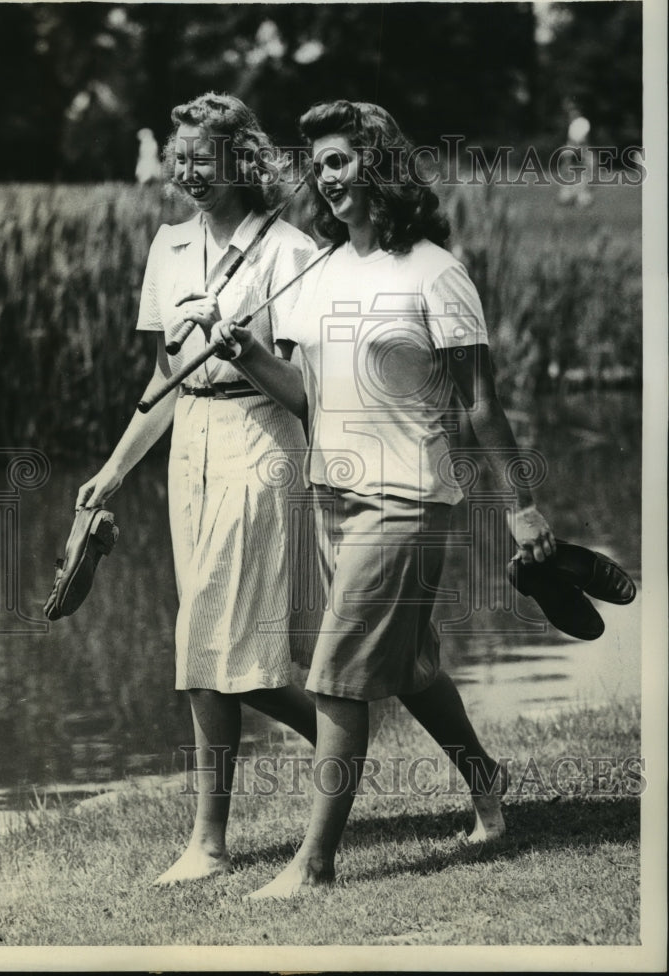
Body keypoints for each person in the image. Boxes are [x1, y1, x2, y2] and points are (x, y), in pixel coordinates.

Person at [211, 100, 556, 897]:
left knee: (336, 677)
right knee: (411, 666)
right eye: (317, 166)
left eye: (338, 160)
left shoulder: (435, 271)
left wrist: (521, 505)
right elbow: (307, 399)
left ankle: (315, 865)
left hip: (408, 501)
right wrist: (247, 352)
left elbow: (481, 403)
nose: (324, 178)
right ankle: (487, 779)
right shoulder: (320, 272)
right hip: (331, 498)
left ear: (379, 163)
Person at [76, 93, 318, 884]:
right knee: (228, 650)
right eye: (178, 158)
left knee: (201, 641)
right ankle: (341, 737)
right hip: (191, 446)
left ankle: (208, 844)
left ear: (243, 160)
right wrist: (114, 469)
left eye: (200, 157)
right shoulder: (169, 245)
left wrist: (239, 346)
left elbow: (306, 393)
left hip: (262, 439)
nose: (185, 171)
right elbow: (165, 382)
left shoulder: (289, 250)